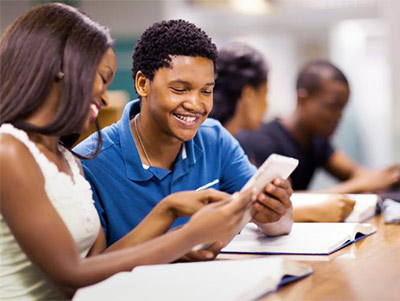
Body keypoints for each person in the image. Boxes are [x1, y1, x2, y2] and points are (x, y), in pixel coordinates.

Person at [0, 4, 256, 299]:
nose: (105, 95)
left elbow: (98, 264)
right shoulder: (10, 151)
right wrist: (189, 236)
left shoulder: (67, 159)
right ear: (61, 74)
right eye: (101, 78)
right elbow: (72, 278)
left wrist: (167, 210)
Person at [74, 20, 293, 256]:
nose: (195, 104)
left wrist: (275, 215)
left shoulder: (215, 139)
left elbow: (278, 224)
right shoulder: (90, 162)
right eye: (180, 89)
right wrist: (173, 248)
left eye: (206, 91)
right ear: (142, 84)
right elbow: (90, 270)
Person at [210, 44, 355, 222]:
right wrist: (313, 211)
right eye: (265, 95)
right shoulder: (224, 142)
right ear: (249, 94)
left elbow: (251, 204)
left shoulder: (229, 147)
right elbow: (239, 212)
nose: (267, 106)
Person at [237, 60, 400, 195]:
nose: (339, 116)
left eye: (342, 108)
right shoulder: (263, 140)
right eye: (332, 107)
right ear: (303, 99)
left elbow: (354, 172)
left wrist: (388, 177)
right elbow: (283, 202)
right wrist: (360, 185)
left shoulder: (316, 140)